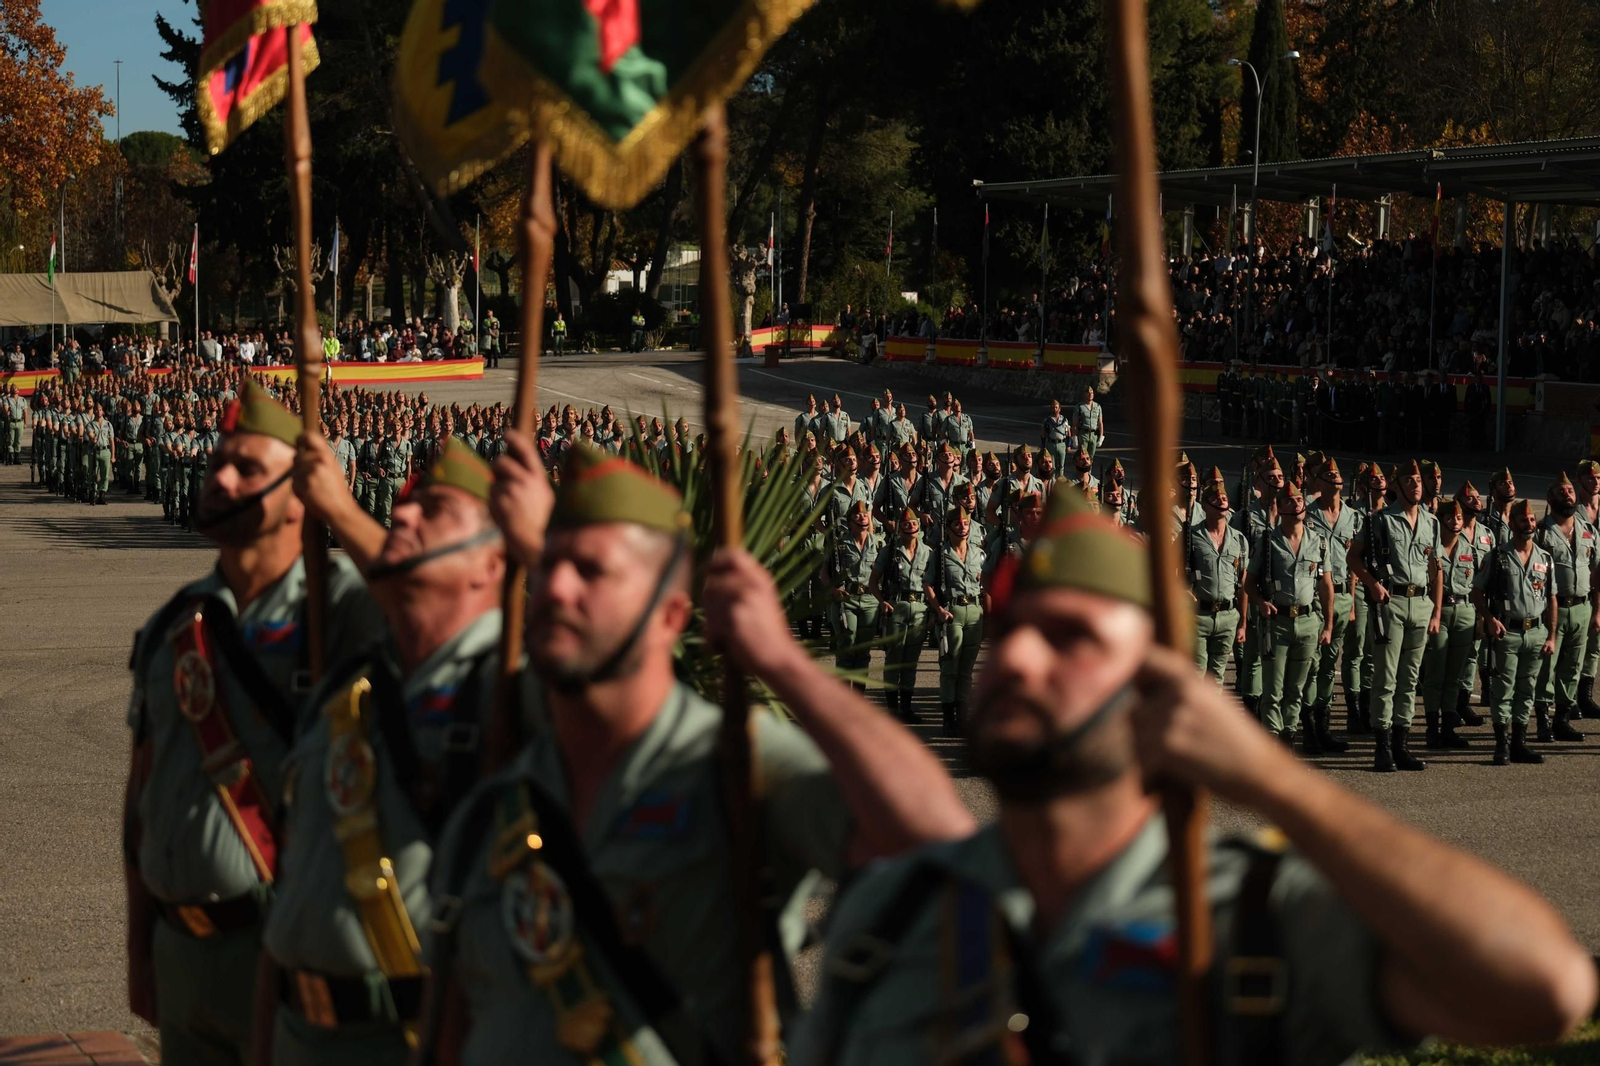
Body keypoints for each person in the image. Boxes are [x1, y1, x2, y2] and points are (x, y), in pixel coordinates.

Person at [795, 483, 1596, 1065]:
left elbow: (1544, 988)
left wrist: (1273, 778)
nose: (1017, 656)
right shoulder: (893, 911)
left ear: (1153, 688)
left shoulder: (1250, 915)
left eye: (1069, 636)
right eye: (1008, 628)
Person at [422, 440, 973, 1066]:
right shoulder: (492, 804)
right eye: (547, 564)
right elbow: (450, 1030)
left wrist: (780, 659)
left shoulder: (732, 765)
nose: (555, 588)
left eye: (592, 570)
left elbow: (938, 837)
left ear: (669, 617)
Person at [122, 382, 384, 1066]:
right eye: (218, 463)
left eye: (246, 468)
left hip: (280, 944)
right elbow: (141, 790)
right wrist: (138, 943)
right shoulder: (177, 621)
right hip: (180, 952)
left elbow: (442, 615)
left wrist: (348, 515)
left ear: (301, 497)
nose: (221, 477)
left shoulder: (340, 612)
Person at [261, 437, 504, 1065]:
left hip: (408, 1040)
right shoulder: (349, 693)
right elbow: (292, 884)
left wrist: (342, 512)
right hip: (300, 1030)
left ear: (491, 564)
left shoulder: (512, 695)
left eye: (435, 509)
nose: (403, 513)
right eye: (405, 504)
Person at [1348, 459, 1441, 772]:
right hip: (1392, 602)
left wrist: (1436, 610)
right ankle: (1382, 748)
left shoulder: (1431, 522)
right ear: (1396, 486)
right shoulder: (1381, 520)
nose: (1416, 485)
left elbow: (1435, 568)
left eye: (1418, 480)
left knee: (1410, 679)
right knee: (1386, 678)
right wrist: (1372, 585)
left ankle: (1402, 745)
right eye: (1410, 480)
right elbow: (1354, 557)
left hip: (1421, 602)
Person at [1245, 483, 1334, 748]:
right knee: (1273, 688)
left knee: (1296, 688)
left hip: (1307, 622)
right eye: (1290, 501)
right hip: (1276, 622)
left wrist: (1327, 625)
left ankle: (1288, 736)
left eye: (1299, 500)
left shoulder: (1318, 542)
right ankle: (1272, 738)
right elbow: (1249, 582)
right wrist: (1260, 602)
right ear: (1280, 508)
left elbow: (1326, 585)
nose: (1297, 504)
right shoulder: (1267, 542)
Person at [1474, 500, 1558, 765]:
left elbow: (1551, 598)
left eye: (1532, 520)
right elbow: (1478, 591)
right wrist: (1488, 618)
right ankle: (1502, 745)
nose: (1529, 525)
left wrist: (1552, 636)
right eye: (1523, 521)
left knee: (1527, 689)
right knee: (1503, 689)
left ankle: (1520, 744)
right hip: (1507, 633)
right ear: (1512, 524)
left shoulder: (1544, 557)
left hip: (1535, 632)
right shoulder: (1497, 555)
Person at [1531, 473, 1593, 743]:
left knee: (1572, 667)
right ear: (1550, 498)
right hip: (1551, 610)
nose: (1567, 495)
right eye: (1561, 491)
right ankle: (1543, 722)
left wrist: (1598, 609)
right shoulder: (1541, 532)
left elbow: (1597, 569)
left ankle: (1562, 720)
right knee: (1547, 666)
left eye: (1570, 490)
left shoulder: (1587, 529)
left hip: (1582, 607)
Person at [1301, 458, 1357, 753]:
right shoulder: (1306, 514)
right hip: (1313, 596)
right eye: (1328, 475)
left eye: (1337, 475)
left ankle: (1324, 728)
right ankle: (1308, 729)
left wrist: (1352, 602)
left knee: (1328, 665)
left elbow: (1356, 561)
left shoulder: (1352, 516)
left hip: (1343, 595)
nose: (1335, 479)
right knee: (1310, 664)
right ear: (1318, 483)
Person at [1419, 498, 1477, 750]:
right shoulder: (1431, 547)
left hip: (1464, 611)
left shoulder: (1469, 546)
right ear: (1440, 520)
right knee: (1435, 673)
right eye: (1450, 518)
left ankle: (1448, 728)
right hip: (1437, 612)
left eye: (1459, 518)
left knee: (1455, 674)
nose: (1456, 522)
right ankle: (1432, 728)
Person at [871, 508, 934, 721]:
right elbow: (873, 582)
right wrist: (882, 602)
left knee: (910, 660)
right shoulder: (889, 551)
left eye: (914, 523)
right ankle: (891, 708)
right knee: (894, 657)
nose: (911, 527)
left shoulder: (928, 552)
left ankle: (906, 708)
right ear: (899, 528)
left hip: (920, 607)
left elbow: (935, 585)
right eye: (906, 524)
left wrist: (934, 611)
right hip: (896, 606)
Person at [1186, 468, 1248, 686]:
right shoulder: (1191, 536)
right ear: (1204, 506)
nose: (1221, 500)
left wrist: (1242, 623)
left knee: (1216, 677)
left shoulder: (1239, 540)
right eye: (1214, 498)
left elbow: (1243, 584)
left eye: (1224, 497)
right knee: (1196, 673)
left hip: (1228, 617)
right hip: (1198, 615)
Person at [935, 505, 985, 737]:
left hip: (975, 611)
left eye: (966, 523)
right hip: (952, 611)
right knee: (950, 668)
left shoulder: (978, 553)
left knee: (966, 670)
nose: (962, 527)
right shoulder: (940, 553)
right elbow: (928, 584)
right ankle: (948, 718)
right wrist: (938, 610)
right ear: (949, 528)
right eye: (957, 524)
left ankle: (962, 716)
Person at [1071, 385, 1104, 460]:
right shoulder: (1079, 407)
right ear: (1084, 394)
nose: (1090, 395)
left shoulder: (1098, 406)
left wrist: (1101, 437)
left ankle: (1089, 472)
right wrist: (1074, 437)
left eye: (1092, 393)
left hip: (1094, 435)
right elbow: (1075, 424)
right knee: (1083, 457)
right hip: (1083, 434)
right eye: (1088, 393)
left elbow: (1100, 423)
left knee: (1091, 458)